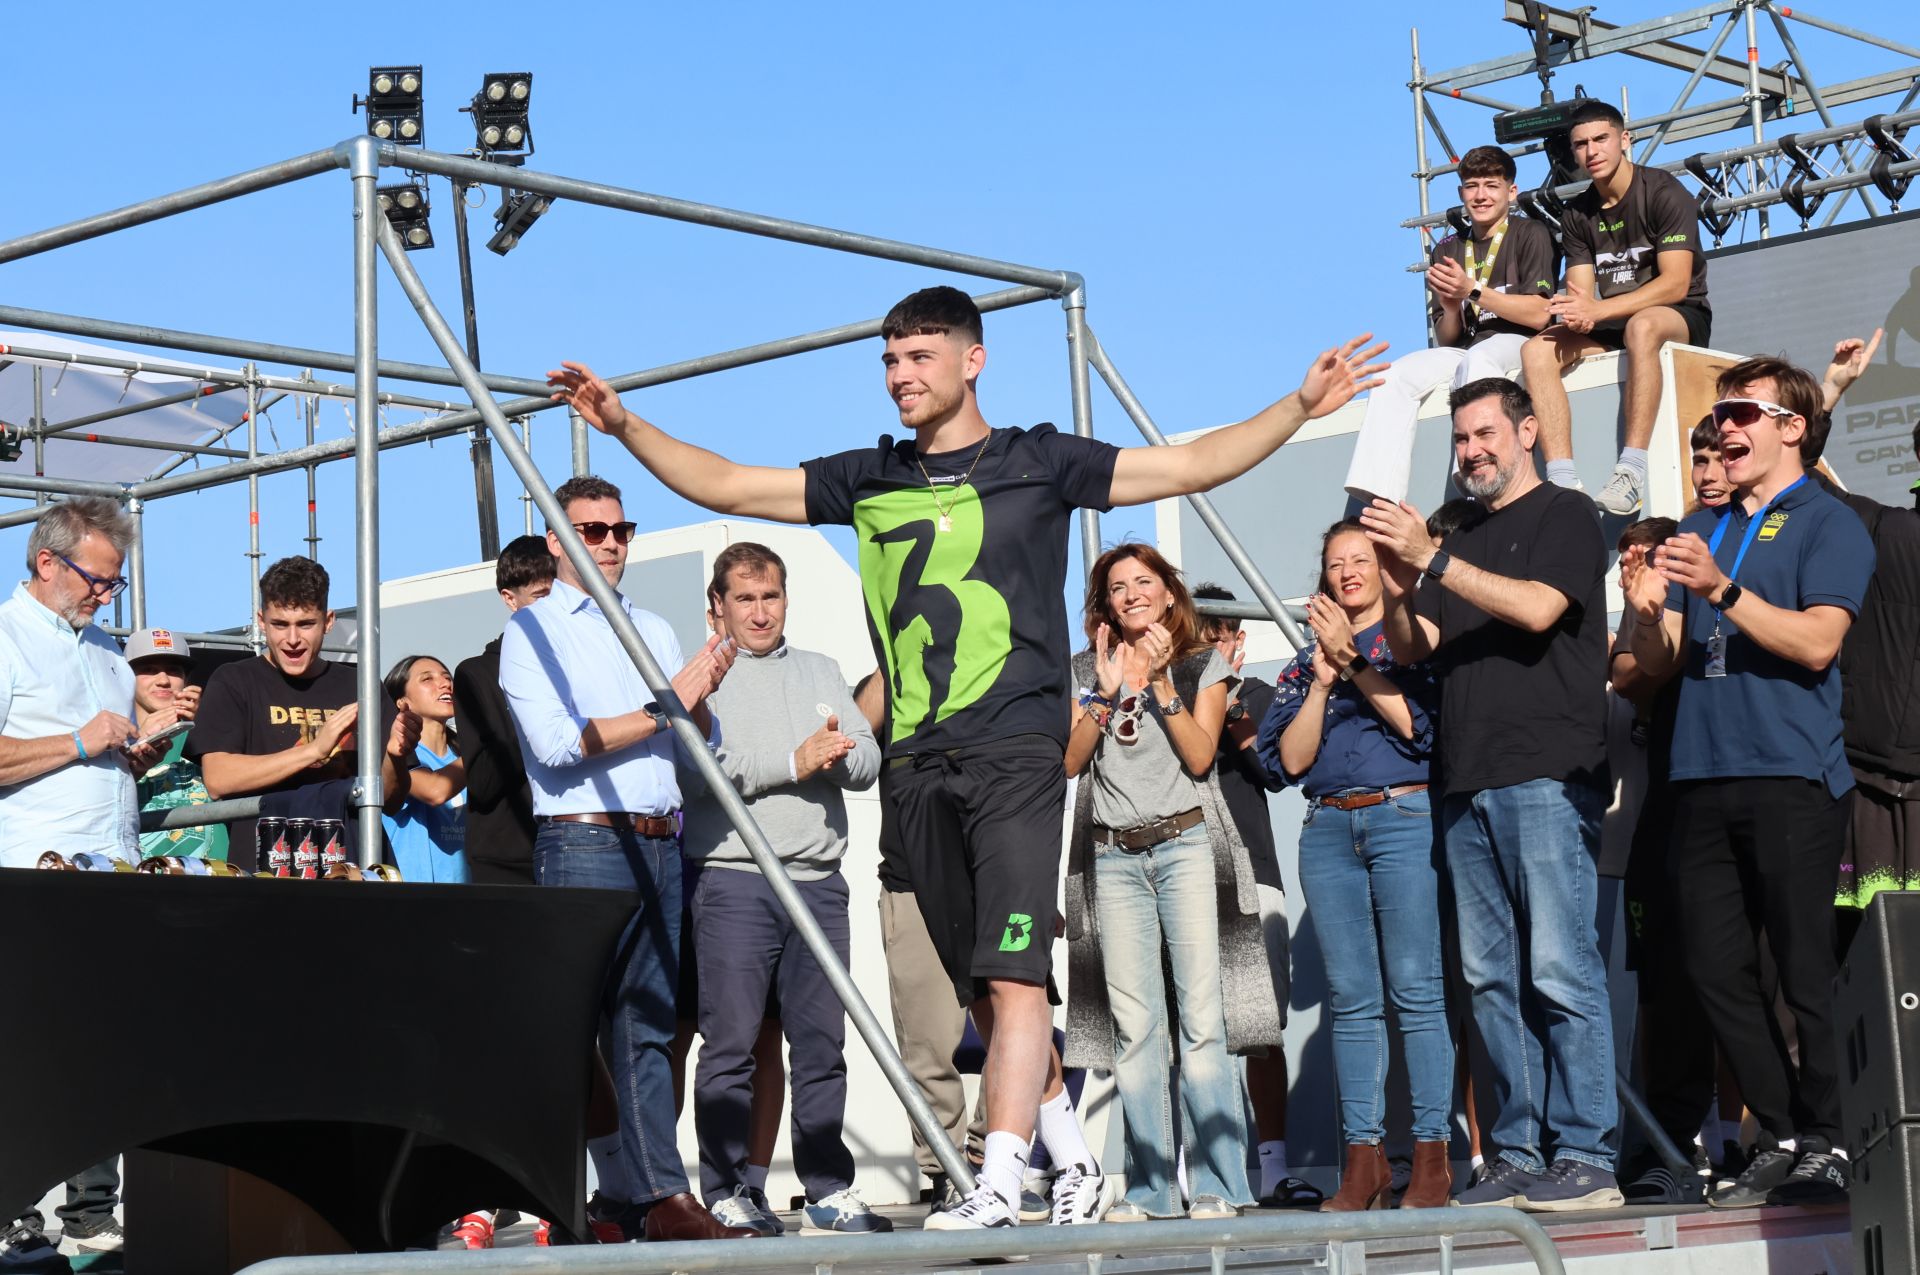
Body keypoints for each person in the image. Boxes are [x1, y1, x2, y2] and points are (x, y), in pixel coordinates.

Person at [549, 285, 1385, 1229]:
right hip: (917, 763)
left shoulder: (1039, 460)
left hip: (1017, 752)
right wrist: (623, 425)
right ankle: (1071, 1161)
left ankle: (997, 1178)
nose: (902, 377)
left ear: (972, 360)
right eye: (890, 362)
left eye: (920, 359)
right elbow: (731, 484)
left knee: (1016, 975)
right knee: (977, 986)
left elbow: (1189, 462)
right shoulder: (868, 476)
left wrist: (1297, 407)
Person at [1361, 377, 1622, 1211]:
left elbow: (1541, 608)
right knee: (1490, 980)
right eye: (1461, 440)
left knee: (1559, 965)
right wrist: (1401, 585)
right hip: (1465, 781)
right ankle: (1516, 1150)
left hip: (1547, 772)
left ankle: (1586, 1155)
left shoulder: (1568, 515)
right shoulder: (1462, 531)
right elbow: (1419, 642)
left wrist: (1434, 557)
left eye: (1484, 434)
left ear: (1528, 430)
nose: (1471, 451)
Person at [1625, 356, 1874, 1209]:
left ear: (1791, 427)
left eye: (1740, 412)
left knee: (1803, 968)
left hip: (1791, 772)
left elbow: (1816, 644)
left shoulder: (1825, 519)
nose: (1723, 428)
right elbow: (1660, 664)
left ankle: (1835, 1137)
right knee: (1711, 968)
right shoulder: (1705, 519)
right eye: (1718, 413)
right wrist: (1647, 611)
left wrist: (1721, 589)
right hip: (1697, 772)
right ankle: (1785, 1132)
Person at [498, 474, 753, 1244]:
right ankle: (583, 1192)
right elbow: (559, 743)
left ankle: (645, 1195)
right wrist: (667, 704)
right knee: (577, 1029)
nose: (610, 542)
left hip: (657, 834)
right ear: (557, 540)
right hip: (583, 837)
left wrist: (702, 689)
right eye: (592, 530)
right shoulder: (532, 629)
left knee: (646, 1026)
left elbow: (697, 744)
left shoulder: (654, 626)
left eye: (620, 529)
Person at [679, 541, 888, 1237]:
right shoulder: (698, 678)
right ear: (718, 606)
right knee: (732, 1045)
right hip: (736, 880)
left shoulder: (822, 669)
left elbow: (867, 760)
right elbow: (696, 771)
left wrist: (842, 752)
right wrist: (795, 761)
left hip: (819, 882)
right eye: (744, 597)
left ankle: (828, 1186)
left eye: (770, 596)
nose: (760, 611)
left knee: (821, 1044)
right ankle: (729, 1188)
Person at [1062, 544, 1271, 1222]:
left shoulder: (1199, 661)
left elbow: (1202, 753)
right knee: (1135, 1027)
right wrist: (1100, 690)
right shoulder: (1081, 668)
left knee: (1202, 1020)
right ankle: (1151, 1185)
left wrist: (1158, 686)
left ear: (1167, 591)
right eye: (1116, 586)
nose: (1130, 594)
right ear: (1104, 601)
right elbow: (1068, 762)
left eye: (1142, 582)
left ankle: (1220, 1183)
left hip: (1183, 846)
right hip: (1114, 858)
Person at [1258, 520, 1450, 1212]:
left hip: (1403, 817)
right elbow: (1286, 761)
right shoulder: (1306, 660)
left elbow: (1420, 729)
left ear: (1383, 567)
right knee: (1353, 1002)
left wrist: (1359, 665)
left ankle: (1432, 1160)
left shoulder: (1411, 638)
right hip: (1328, 827)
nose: (1346, 572)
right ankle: (1362, 1162)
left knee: (1418, 992)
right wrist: (1322, 679)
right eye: (1335, 562)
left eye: (1359, 560)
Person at [0, 498, 168, 1269]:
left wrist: (131, 750)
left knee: (102, 1046)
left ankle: (92, 1208)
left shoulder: (104, 649)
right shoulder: (5, 637)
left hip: (112, 871)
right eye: (98, 580)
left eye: (115, 583)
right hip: (32, 875)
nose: (107, 595)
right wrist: (79, 739)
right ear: (46, 563)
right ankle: (12, 1210)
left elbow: (98, 748)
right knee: (29, 1047)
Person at [1191, 583, 1320, 1209]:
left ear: (1238, 643)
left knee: (1260, 1027)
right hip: (1179, 878)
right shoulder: (1167, 701)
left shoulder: (1261, 696)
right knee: (1186, 1030)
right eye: (1199, 637)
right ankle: (1196, 1171)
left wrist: (1232, 706)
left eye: (1219, 636)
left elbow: (1277, 771)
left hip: (1252, 875)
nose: (1209, 648)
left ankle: (1272, 1167)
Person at [1521, 100, 1712, 515]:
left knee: (1641, 327)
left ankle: (1631, 470)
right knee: (1536, 350)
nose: (1592, 151)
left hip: (1678, 314)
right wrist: (1573, 310)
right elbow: (1582, 294)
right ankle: (1562, 481)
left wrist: (1597, 311)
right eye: (1581, 144)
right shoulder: (1577, 214)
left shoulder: (1664, 192)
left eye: (1601, 139)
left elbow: (1676, 283)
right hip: (1612, 322)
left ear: (1624, 140)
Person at [1345, 145, 1556, 506]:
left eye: (1491, 185)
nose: (1481, 195)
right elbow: (1447, 337)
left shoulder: (1530, 233)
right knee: (1394, 375)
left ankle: (1470, 471)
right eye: (1472, 186)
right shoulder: (1446, 248)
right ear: (1461, 193)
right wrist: (1451, 307)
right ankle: (1376, 490)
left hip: (1520, 341)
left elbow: (1539, 314)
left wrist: (1472, 290)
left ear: (1511, 191)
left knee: (1479, 359)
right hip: (1467, 348)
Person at [188, 556, 418, 871]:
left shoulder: (360, 683)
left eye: (306, 624)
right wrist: (314, 751)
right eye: (280, 624)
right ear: (260, 620)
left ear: (328, 620)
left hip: (351, 866)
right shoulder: (234, 680)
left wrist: (395, 755)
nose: (292, 639)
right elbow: (218, 779)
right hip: (266, 868)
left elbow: (390, 800)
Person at [1818, 333, 1920, 943]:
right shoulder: (1880, 530)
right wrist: (1829, 390)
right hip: (1870, 790)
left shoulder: (1882, 528)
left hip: (1877, 782)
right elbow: (1796, 474)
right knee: (1870, 967)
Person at [453, 534, 553, 886]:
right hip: (506, 860)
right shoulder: (477, 673)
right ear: (510, 599)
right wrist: (530, 704)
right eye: (542, 596)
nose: (556, 607)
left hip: (575, 848)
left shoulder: (584, 662)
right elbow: (482, 781)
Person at [127, 629, 227, 862]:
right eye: (148, 670)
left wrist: (206, 721)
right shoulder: (112, 740)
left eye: (173, 671)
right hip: (137, 878)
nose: (163, 680)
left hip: (214, 880)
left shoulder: (211, 731)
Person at [380, 656, 470, 883]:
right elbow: (434, 791)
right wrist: (484, 749)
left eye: (447, 678)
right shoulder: (394, 754)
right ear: (401, 702)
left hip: (466, 893)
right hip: (409, 892)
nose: (445, 684)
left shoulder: (460, 755)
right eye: (427, 679)